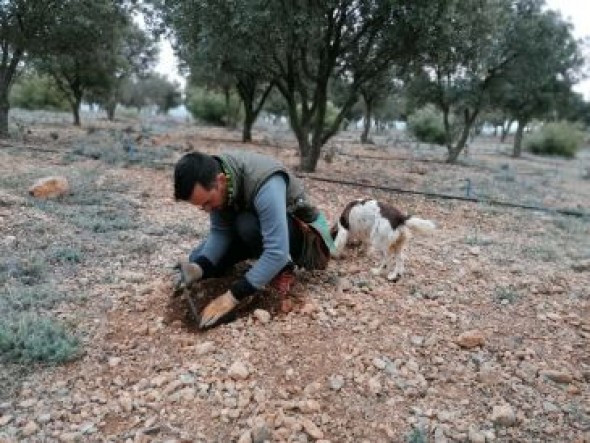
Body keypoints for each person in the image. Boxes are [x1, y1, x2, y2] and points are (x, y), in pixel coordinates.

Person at [173, 150, 335, 328]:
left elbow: (276, 252)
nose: (207, 209)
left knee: (246, 223)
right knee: (199, 257)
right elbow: (220, 233)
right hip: (261, 231)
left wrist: (232, 296)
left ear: (220, 180)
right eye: (201, 206)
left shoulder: (266, 183)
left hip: (307, 243)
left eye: (208, 202)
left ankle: (283, 269)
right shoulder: (222, 178)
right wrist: (199, 267)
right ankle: (216, 264)